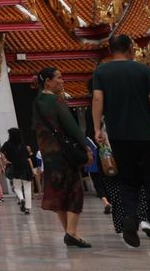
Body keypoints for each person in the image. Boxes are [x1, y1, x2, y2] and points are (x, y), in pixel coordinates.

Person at [92, 33, 150, 250]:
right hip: (147, 137)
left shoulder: (101, 71)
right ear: (130, 48)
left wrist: (97, 129)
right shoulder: (143, 70)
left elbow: (97, 99)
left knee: (127, 183)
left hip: (119, 138)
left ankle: (129, 217)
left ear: (110, 50)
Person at [33, 66, 93, 248]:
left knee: (58, 192)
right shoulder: (56, 100)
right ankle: (72, 232)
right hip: (63, 153)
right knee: (74, 190)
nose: (62, 80)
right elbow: (71, 126)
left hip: (48, 153)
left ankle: (69, 232)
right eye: (58, 78)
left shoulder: (37, 101)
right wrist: (86, 146)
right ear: (48, 82)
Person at [1, 127, 33, 214]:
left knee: (17, 187)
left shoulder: (7, 144)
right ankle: (27, 208)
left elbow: (1, 152)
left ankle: (21, 199)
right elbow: (28, 155)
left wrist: (5, 160)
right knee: (27, 188)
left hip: (15, 167)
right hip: (25, 167)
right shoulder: (22, 144)